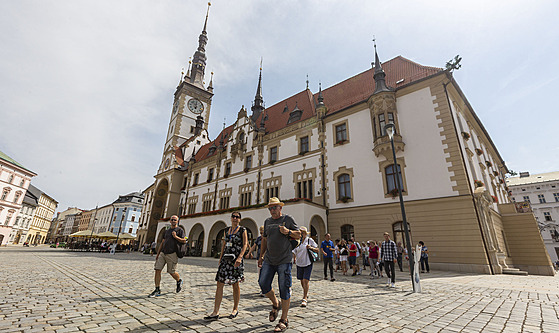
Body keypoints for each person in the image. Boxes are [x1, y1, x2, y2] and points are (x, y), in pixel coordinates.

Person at [258, 197, 301, 332]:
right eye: (270, 208)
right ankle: (276, 303)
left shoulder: (287, 219)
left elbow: (299, 234)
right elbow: (265, 239)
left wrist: (288, 231)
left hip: (284, 259)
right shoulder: (267, 221)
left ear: (280, 208)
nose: (272, 210)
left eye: (274, 207)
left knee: (284, 287)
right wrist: (261, 255)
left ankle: (284, 319)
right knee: (263, 283)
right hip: (269, 260)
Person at [205, 212, 248, 320]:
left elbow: (245, 244)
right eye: (233, 216)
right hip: (225, 260)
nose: (235, 218)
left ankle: (235, 308)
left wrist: (240, 257)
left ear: (240, 219)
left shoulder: (243, 230)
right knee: (219, 283)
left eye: (237, 217)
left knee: (235, 284)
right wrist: (220, 259)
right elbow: (224, 244)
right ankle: (215, 311)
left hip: (236, 261)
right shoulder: (226, 230)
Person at [148, 215, 186, 297]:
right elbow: (162, 242)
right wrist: (158, 253)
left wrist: (176, 237)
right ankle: (157, 289)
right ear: (169, 221)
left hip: (172, 254)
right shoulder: (167, 231)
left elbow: (184, 241)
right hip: (163, 253)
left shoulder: (180, 230)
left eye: (175, 220)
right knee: (157, 269)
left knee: (171, 272)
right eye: (172, 219)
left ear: (177, 221)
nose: (173, 221)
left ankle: (179, 280)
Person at [292, 226, 318, 307]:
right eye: (300, 233)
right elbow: (294, 251)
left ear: (305, 233)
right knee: (302, 280)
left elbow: (317, 249)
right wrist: (294, 258)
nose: (302, 234)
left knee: (305, 280)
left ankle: (304, 298)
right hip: (299, 263)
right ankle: (305, 292)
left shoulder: (309, 240)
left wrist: (311, 247)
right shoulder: (298, 242)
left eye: (303, 233)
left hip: (308, 262)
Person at [246, 225, 265, 296]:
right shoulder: (259, 239)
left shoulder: (267, 239)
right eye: (261, 233)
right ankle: (262, 289)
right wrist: (249, 253)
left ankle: (265, 290)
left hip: (266, 260)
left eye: (263, 233)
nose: (262, 234)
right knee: (260, 275)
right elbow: (254, 246)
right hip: (258, 258)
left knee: (265, 275)